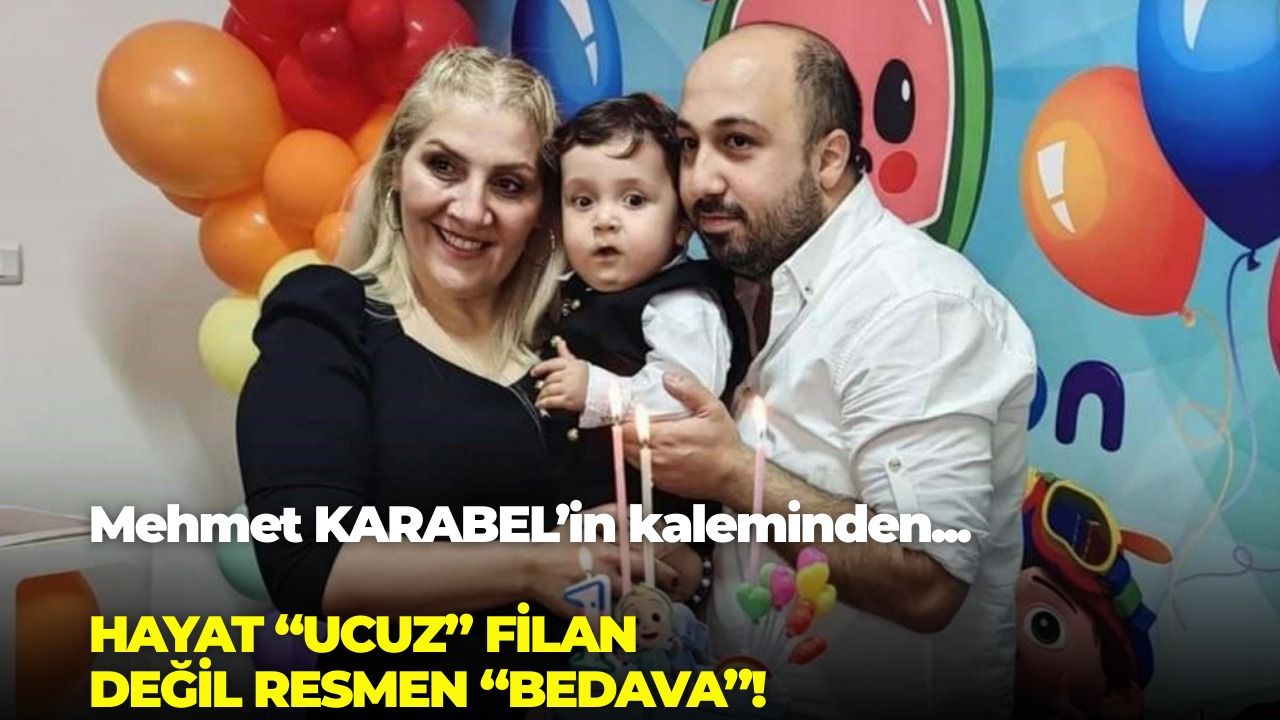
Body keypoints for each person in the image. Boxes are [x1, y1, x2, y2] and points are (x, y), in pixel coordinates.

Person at [236, 47, 681, 718]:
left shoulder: (567, 351)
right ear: (396, 170)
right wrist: (537, 561)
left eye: (509, 184)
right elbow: (308, 567)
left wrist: (669, 560)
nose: (471, 211)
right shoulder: (329, 314)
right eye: (443, 166)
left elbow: (636, 539)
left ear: (541, 210)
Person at [624, 23, 1038, 719]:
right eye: (690, 146)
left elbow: (928, 581)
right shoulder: (740, 281)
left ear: (829, 158)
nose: (700, 181)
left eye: (738, 143)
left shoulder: (915, 306)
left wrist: (734, 476)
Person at [530, 94, 752, 605]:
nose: (604, 220)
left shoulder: (681, 304)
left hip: (658, 532)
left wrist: (597, 391)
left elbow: (684, 400)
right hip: (581, 531)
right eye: (582, 202)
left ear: (681, 224)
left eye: (633, 200)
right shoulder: (573, 293)